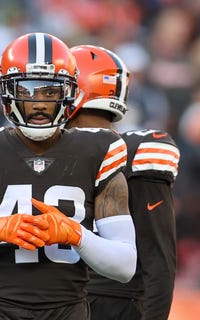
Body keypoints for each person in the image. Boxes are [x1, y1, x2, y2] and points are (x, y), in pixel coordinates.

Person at [0, 32, 138, 319]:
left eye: (50, 91)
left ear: (70, 92)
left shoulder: (99, 149)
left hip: (70, 312)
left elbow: (125, 266)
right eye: (27, 90)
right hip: (1, 312)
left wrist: (77, 234)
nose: (40, 103)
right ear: (7, 92)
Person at [65, 44, 181, 320]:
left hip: (113, 306)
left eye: (54, 89)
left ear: (76, 91)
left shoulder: (135, 153)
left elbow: (159, 260)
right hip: (60, 301)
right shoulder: (52, 154)